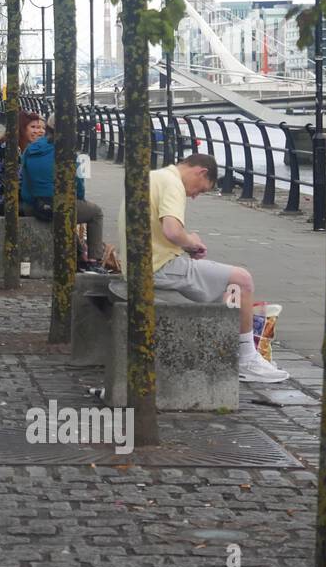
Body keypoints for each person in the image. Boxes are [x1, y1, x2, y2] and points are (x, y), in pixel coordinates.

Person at [120, 154, 290, 383]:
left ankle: (230, 349)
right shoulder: (173, 184)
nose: (195, 196)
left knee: (226, 290)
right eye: (200, 190)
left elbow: (161, 231)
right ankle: (246, 359)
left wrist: (187, 243)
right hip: (158, 266)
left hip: (139, 264)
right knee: (242, 280)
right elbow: (171, 230)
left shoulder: (153, 176)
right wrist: (191, 242)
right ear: (200, 172)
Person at [18, 116, 105, 266]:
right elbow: (78, 185)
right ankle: (92, 259)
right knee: (96, 213)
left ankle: (80, 251)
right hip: (59, 205)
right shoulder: (68, 152)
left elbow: (24, 180)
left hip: (34, 206)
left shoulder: (29, 149)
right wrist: (78, 199)